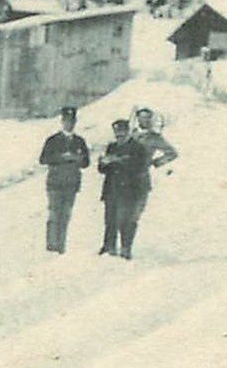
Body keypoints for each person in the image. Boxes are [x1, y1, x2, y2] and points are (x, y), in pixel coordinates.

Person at [37, 105, 91, 254]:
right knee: (55, 213)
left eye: (72, 121)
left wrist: (77, 159)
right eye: (66, 121)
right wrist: (62, 157)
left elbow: (86, 163)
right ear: (62, 121)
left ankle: (61, 245)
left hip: (72, 183)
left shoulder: (80, 141)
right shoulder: (53, 140)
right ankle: (52, 245)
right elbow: (43, 159)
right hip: (55, 182)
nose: (69, 124)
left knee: (66, 214)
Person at [98, 119, 151, 260]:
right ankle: (110, 247)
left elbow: (140, 167)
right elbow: (102, 169)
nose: (119, 136)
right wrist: (104, 163)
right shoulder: (111, 147)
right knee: (110, 220)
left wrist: (118, 161)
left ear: (127, 132)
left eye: (121, 133)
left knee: (125, 220)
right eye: (117, 133)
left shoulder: (138, 147)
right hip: (111, 189)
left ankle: (126, 248)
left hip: (129, 190)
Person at [131, 106, 179, 175]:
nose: (146, 120)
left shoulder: (154, 137)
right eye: (143, 117)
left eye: (148, 117)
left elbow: (172, 153)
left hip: (141, 174)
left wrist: (155, 163)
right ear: (138, 118)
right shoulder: (131, 134)